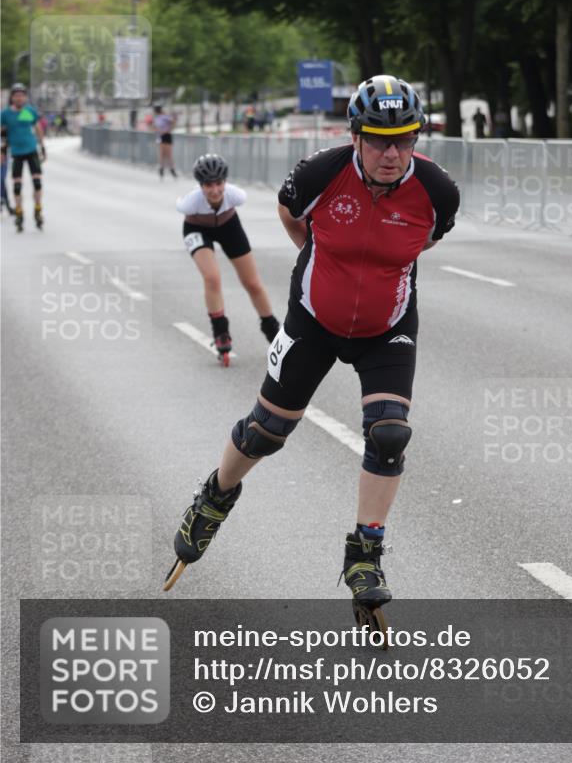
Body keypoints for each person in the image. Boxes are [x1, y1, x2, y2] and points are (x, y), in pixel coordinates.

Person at [164, 75, 460, 630]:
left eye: (404, 140)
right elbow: (290, 214)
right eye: (379, 140)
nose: (392, 153)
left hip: (388, 327)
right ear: (355, 137)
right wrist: (324, 256)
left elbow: (427, 240)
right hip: (314, 321)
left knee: (389, 433)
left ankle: (365, 556)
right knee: (266, 431)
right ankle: (214, 496)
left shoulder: (437, 191)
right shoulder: (319, 174)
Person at [177, 153, 281, 362]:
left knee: (252, 283)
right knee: (212, 278)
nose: (215, 190)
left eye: (219, 183)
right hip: (197, 229)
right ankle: (220, 332)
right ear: (200, 186)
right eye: (208, 185)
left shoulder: (237, 196)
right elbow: (179, 205)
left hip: (228, 226)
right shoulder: (189, 203)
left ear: (225, 182)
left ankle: (274, 332)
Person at [0, 83, 46, 232]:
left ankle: (37, 209)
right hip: (16, 152)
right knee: (17, 185)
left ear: (25, 97)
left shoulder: (29, 111)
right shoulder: (5, 114)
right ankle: (19, 212)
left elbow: (37, 128)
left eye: (21, 96)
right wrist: (2, 151)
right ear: (12, 98)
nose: (19, 98)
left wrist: (42, 146)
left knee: (37, 183)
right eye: (16, 96)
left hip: (31, 150)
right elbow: (2, 132)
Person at [153, 105, 177, 178]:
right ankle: (162, 168)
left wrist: (168, 130)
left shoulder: (164, 117)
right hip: (160, 136)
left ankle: (171, 169)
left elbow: (173, 122)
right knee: (162, 154)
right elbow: (156, 128)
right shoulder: (157, 118)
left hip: (166, 135)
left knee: (168, 154)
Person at [1, 126, 15, 214]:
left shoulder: (6, 130)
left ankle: (6, 203)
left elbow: (9, 142)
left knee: (1, 180)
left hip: (4, 159)